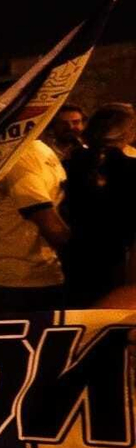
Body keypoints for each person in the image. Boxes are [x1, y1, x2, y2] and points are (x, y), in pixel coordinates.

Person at [0, 120, 70, 313]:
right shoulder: (40, 150)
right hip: (35, 275)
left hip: (19, 281)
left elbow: (49, 223)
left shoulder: (21, 156)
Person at [61, 103, 136, 306]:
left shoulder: (71, 163)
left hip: (74, 258)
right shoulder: (131, 169)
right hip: (117, 261)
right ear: (128, 133)